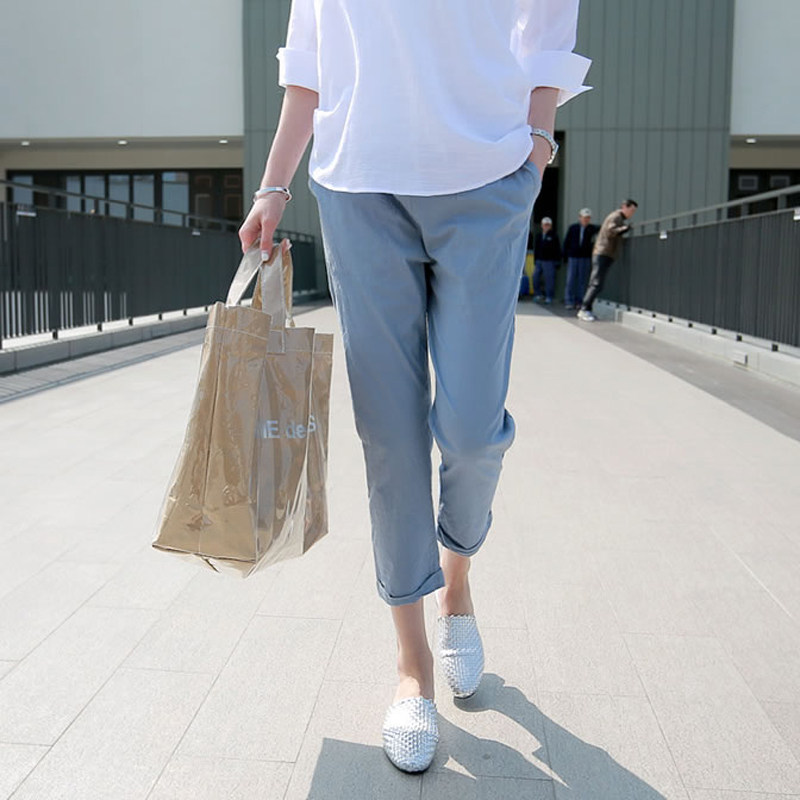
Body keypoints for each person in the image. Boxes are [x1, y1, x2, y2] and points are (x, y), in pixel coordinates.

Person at [239, 0, 590, 773]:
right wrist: (273, 186)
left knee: (471, 429)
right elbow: (311, 60)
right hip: (358, 188)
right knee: (390, 439)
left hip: (487, 178)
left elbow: (546, 33)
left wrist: (537, 146)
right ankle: (412, 666)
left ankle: (455, 582)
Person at [577, 199, 638, 321]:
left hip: (605, 253)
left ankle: (587, 309)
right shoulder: (616, 217)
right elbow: (611, 231)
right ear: (624, 207)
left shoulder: (618, 217)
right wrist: (625, 228)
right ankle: (584, 309)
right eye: (631, 210)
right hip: (603, 252)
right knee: (595, 283)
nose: (632, 214)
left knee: (597, 283)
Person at [562, 208, 597, 308]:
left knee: (583, 280)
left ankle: (580, 301)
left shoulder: (592, 229)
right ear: (580, 217)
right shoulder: (573, 228)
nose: (586, 220)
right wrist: (565, 256)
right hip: (573, 257)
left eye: (588, 218)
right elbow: (566, 242)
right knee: (571, 279)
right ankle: (569, 301)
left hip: (585, 257)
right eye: (584, 217)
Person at [532, 217, 562, 304]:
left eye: (548, 225)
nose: (546, 226)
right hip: (539, 260)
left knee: (549, 279)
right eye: (545, 225)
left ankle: (549, 296)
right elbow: (536, 248)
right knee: (535, 277)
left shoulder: (554, 236)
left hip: (549, 261)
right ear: (542, 225)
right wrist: (535, 259)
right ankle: (538, 294)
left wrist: (557, 261)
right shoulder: (539, 236)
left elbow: (557, 249)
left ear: (551, 226)